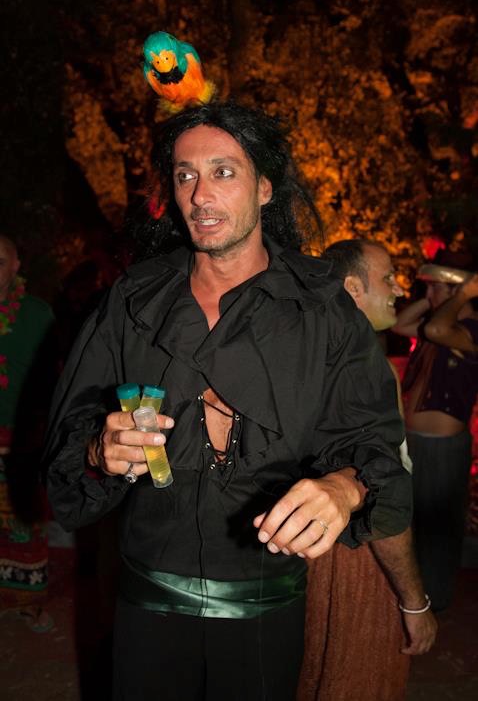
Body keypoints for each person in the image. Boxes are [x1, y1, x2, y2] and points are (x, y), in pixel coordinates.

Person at [45, 102, 412, 701]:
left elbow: (373, 443)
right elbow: (69, 436)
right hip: (146, 605)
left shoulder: (321, 310)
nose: (200, 194)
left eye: (223, 172)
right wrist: (97, 448)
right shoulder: (133, 302)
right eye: (185, 175)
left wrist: (344, 487)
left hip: (267, 610)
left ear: (265, 187)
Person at [299, 239, 437, 701]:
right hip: (360, 555)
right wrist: (414, 602)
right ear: (352, 288)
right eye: (388, 278)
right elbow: (380, 497)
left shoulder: (321, 353)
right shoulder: (362, 371)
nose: (398, 289)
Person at [393, 249, 478, 611]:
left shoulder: (469, 330)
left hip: (444, 446)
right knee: (413, 524)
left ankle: (437, 601)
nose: (427, 295)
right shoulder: (436, 324)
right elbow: (399, 324)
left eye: (434, 288)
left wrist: (461, 294)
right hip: (415, 442)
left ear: (457, 291)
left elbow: (438, 329)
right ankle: (414, 597)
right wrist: (434, 298)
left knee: (439, 529)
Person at [0, 234, 55, 631]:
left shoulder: (37, 314)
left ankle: (27, 603)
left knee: (24, 524)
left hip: (20, 438)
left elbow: (53, 380)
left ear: (16, 266)